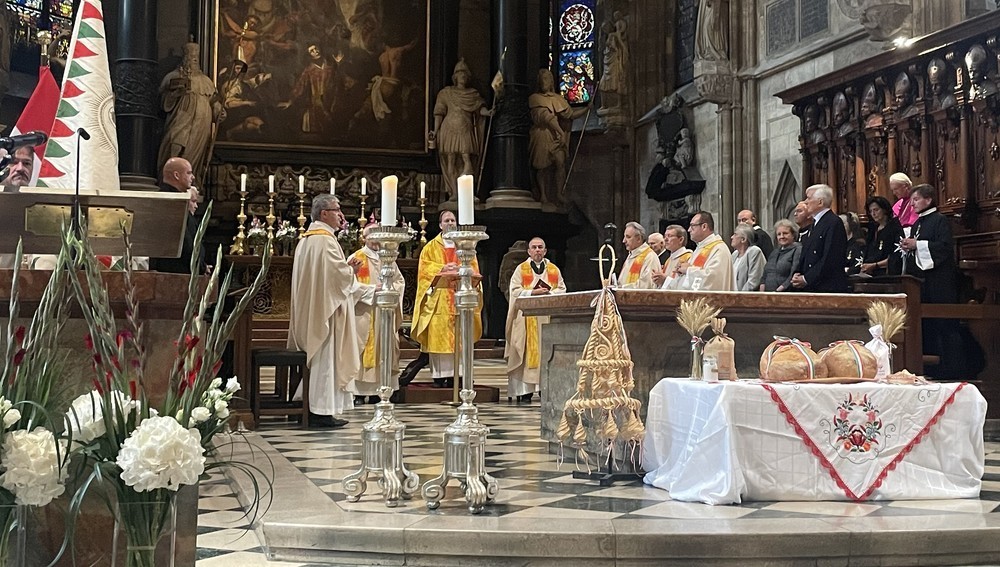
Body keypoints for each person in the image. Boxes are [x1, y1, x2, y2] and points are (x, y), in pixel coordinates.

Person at [287, 194, 359, 428]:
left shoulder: (307, 240)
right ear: (324, 213)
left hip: (313, 309)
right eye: (337, 210)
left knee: (321, 359)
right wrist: (351, 271)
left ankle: (308, 404)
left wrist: (345, 269)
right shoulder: (325, 241)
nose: (341, 215)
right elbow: (337, 277)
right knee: (326, 359)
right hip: (325, 313)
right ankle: (320, 410)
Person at [410, 210, 482, 388]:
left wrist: (462, 270)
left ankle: (460, 375)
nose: (450, 223)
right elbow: (424, 270)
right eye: (446, 220)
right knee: (439, 338)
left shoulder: (465, 247)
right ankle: (440, 376)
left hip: (459, 297)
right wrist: (442, 268)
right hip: (439, 300)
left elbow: (475, 270)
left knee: (461, 338)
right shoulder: (430, 247)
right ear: (440, 225)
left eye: (453, 220)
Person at [346, 223, 405, 406]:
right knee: (361, 349)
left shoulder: (388, 258)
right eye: (370, 235)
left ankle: (379, 391)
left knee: (384, 348)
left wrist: (389, 291)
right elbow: (348, 285)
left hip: (384, 312)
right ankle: (358, 393)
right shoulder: (356, 258)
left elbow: (399, 282)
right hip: (363, 312)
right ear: (364, 238)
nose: (374, 239)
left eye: (377, 234)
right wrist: (373, 290)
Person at [504, 237, 566, 403]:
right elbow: (514, 290)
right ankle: (525, 391)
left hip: (547, 319)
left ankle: (544, 389)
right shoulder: (521, 269)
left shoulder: (553, 270)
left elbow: (562, 289)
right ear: (529, 251)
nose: (537, 250)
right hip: (526, 318)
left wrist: (549, 293)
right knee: (524, 351)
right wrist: (532, 292)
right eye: (534, 247)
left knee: (545, 352)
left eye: (540, 247)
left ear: (545, 251)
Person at [158, 42, 226, 181]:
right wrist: (175, 94)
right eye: (190, 57)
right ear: (184, 58)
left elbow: (213, 102)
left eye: (195, 58)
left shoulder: (206, 81)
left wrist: (219, 111)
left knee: (194, 153)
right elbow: (163, 101)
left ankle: (190, 181)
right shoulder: (173, 77)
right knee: (174, 143)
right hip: (182, 118)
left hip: (201, 124)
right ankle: (169, 180)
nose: (193, 60)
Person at [431, 59, 490, 200]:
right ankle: (454, 192)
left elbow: (479, 109)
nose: (462, 76)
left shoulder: (473, 94)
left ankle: (467, 192)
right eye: (459, 73)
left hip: (465, 129)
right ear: (455, 76)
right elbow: (439, 113)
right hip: (448, 129)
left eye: (464, 74)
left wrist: (487, 112)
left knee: (467, 159)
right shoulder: (446, 93)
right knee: (451, 160)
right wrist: (435, 131)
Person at [529, 68, 589, 205]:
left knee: (560, 162)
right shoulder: (534, 99)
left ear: (551, 81)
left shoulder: (557, 99)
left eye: (547, 79)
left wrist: (586, 109)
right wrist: (561, 133)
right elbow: (545, 117)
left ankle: (559, 193)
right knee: (542, 166)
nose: (545, 82)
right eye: (542, 79)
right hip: (542, 134)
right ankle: (543, 195)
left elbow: (569, 115)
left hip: (555, 137)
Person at [899, 185, 957, 303]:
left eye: (916, 199)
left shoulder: (940, 220)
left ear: (928, 200)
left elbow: (945, 247)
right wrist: (907, 246)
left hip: (938, 277)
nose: (912, 204)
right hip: (920, 278)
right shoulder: (917, 223)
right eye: (911, 200)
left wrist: (917, 245)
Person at [149, 157, 206, 274]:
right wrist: (200, 267)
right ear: (176, 175)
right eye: (189, 173)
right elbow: (184, 242)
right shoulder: (171, 201)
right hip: (175, 272)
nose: (193, 177)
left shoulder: (172, 199)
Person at [791, 184, 849, 292]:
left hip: (827, 287)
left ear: (820, 202)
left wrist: (806, 279)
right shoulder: (815, 224)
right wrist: (798, 273)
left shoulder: (833, 222)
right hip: (813, 286)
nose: (805, 202)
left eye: (809, 198)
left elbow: (830, 257)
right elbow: (806, 252)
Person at [279, 44, 335, 134]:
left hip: (331, 99)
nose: (315, 51)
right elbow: (300, 85)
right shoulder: (309, 70)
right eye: (312, 51)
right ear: (309, 55)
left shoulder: (330, 66)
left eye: (315, 48)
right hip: (316, 102)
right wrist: (291, 101)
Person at [674, 211, 734, 291]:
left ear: (704, 226)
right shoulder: (700, 248)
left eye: (692, 226)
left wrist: (688, 270)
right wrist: (682, 272)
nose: (689, 230)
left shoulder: (719, 249)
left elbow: (712, 280)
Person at [860, 195, 904, 276]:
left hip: (886, 274)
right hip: (869, 272)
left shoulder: (894, 228)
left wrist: (874, 265)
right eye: (871, 211)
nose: (873, 214)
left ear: (884, 210)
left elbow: (897, 257)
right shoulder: (873, 229)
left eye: (876, 210)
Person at [761, 219, 802, 291]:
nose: (782, 236)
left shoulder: (798, 249)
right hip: (768, 294)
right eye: (779, 234)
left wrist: (778, 291)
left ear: (793, 235)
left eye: (785, 233)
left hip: (786, 293)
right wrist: (762, 293)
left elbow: (793, 274)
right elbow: (765, 275)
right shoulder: (774, 252)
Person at [618, 222, 661, 289]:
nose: (624, 241)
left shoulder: (649, 256)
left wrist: (622, 288)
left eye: (628, 237)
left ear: (638, 239)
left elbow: (647, 285)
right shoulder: (631, 255)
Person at [653, 225, 692, 289]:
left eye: (669, 236)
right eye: (665, 236)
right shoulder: (668, 260)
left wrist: (665, 280)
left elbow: (685, 284)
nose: (665, 239)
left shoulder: (688, 257)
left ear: (681, 240)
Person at [730, 224, 765, 291]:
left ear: (743, 239)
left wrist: (741, 295)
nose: (732, 237)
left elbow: (754, 281)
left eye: (735, 234)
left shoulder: (754, 251)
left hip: (747, 296)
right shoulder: (734, 254)